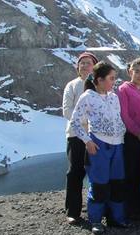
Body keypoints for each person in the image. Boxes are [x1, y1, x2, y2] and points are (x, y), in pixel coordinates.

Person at [71, 62, 128, 235]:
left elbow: (117, 119)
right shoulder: (88, 96)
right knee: (100, 183)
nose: (114, 82)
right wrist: (87, 141)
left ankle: (115, 218)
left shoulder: (113, 96)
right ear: (99, 80)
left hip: (117, 144)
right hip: (99, 144)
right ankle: (95, 220)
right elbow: (75, 121)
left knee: (117, 182)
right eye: (111, 78)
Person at [62, 52, 98, 224]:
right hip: (76, 135)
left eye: (88, 63)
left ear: (94, 66)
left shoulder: (99, 85)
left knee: (97, 173)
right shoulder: (72, 85)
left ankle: (97, 210)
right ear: (77, 67)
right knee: (75, 172)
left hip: (96, 136)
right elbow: (67, 110)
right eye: (82, 63)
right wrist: (85, 121)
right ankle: (73, 211)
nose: (85, 66)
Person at [117, 58, 140, 220]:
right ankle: (129, 209)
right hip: (131, 138)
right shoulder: (123, 89)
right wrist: (139, 134)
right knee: (130, 173)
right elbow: (124, 115)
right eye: (137, 71)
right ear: (129, 71)